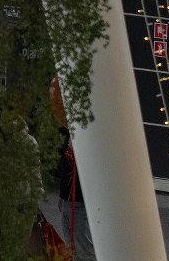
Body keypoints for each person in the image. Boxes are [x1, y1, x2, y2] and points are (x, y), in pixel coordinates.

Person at [51, 77, 95, 260]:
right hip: (70, 200)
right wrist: (62, 194)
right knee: (71, 245)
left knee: (83, 246)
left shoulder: (89, 138)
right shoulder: (69, 137)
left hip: (82, 202)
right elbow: (66, 166)